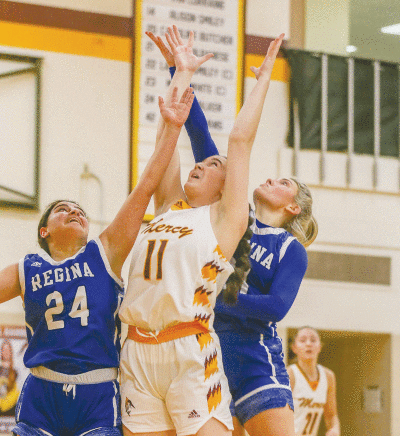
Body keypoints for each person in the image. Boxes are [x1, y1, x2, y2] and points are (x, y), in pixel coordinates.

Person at [146, 29, 318, 436]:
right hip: (208, 352)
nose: (271, 180)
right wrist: (178, 69)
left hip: (255, 356)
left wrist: (216, 296)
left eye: (282, 183)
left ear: (292, 207)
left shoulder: (289, 248)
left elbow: (276, 307)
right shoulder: (231, 215)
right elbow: (203, 138)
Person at [0, 84, 194, 436]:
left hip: (98, 391)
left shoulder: (104, 253)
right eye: (63, 210)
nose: (74, 211)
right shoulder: (27, 268)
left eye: (80, 211)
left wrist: (172, 128)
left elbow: (146, 186)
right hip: (42, 391)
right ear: (44, 231)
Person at [119, 25, 285, 436]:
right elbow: (167, 138)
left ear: (227, 189)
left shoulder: (224, 221)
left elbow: (240, 139)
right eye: (203, 161)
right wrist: (182, 73)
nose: (202, 164)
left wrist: (264, 79)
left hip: (189, 350)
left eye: (214, 166)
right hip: (137, 349)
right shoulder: (168, 205)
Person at [288, 327, 340, 436]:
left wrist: (334, 429)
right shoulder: (289, 374)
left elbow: (331, 415)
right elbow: (278, 417)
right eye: (302, 340)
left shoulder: (328, 376)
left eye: (313, 340)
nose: (308, 344)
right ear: (294, 347)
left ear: (320, 346)